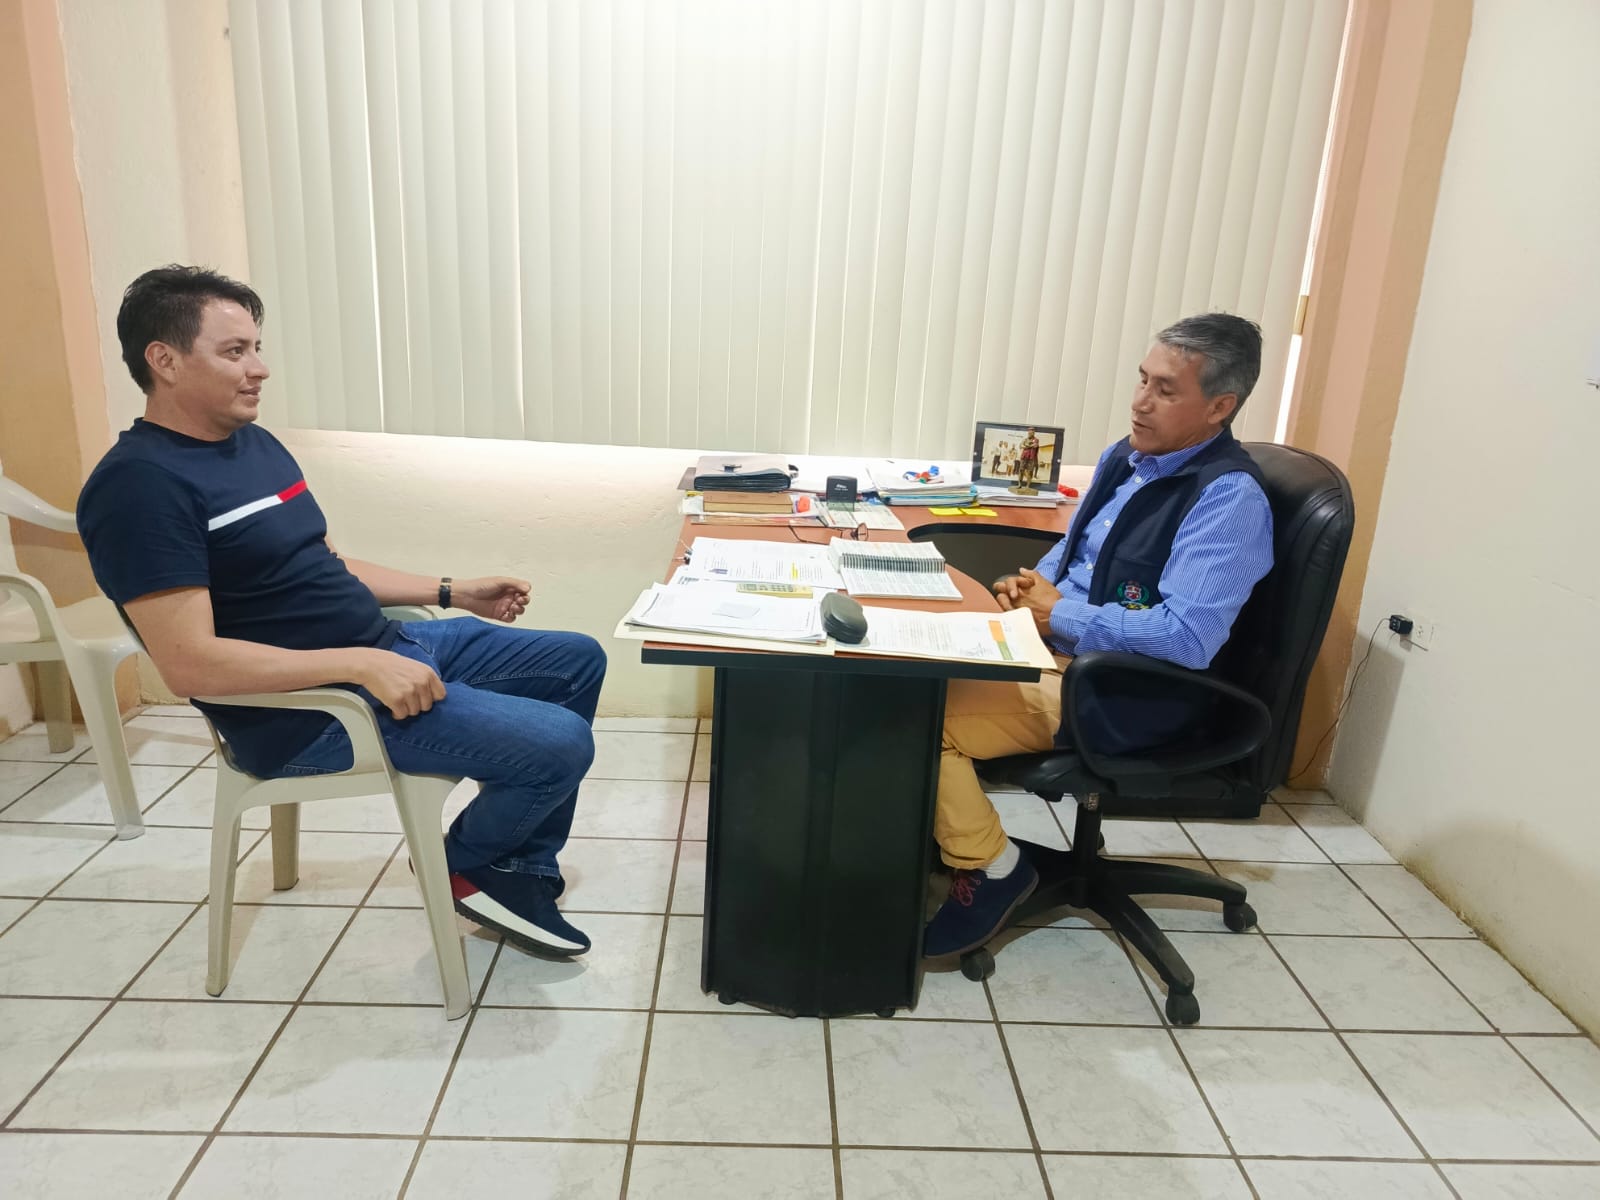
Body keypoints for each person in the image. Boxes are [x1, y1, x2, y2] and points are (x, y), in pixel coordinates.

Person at [77, 265, 607, 959]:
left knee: (576, 660)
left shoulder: (251, 443)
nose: (259, 368)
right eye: (235, 351)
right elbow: (188, 664)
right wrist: (360, 665)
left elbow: (324, 564)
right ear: (164, 360)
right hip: (311, 714)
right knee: (560, 743)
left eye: (256, 347)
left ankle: (511, 865)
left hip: (380, 648)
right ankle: (467, 866)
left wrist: (451, 590)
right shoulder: (139, 490)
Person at [924, 313, 1275, 957]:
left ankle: (995, 869)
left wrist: (1060, 614)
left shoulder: (1228, 500)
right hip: (1060, 655)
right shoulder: (1129, 457)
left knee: (920, 719)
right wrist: (1030, 585)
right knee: (912, 671)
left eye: (1165, 390)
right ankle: (943, 839)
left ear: (1219, 407)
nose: (1141, 401)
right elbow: (1073, 554)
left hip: (1126, 690)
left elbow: (1189, 637)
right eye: (1142, 380)